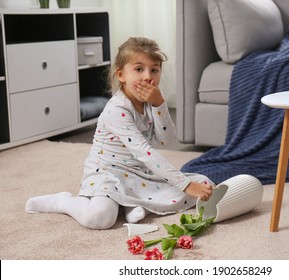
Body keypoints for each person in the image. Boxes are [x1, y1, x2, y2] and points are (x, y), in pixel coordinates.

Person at [25, 37, 213, 229]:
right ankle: (62, 202)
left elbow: (166, 141)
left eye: (154, 70)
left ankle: (136, 204)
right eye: (139, 69)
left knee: (205, 184)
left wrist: (159, 104)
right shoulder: (117, 109)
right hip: (107, 174)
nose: (148, 76)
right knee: (100, 218)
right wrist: (185, 185)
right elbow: (145, 152)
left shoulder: (150, 101)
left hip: (139, 174)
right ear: (121, 75)